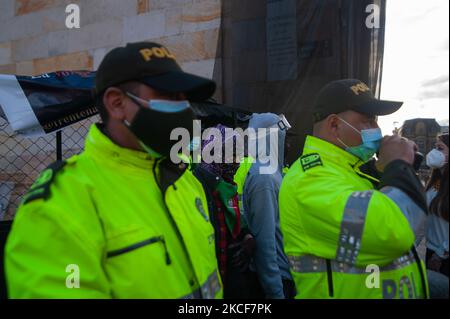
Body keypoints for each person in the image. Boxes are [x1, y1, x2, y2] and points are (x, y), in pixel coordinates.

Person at [5, 42, 222, 299]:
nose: (184, 108)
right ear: (117, 103)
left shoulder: (185, 181)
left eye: (185, 98)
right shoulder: (58, 207)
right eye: (171, 96)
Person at [279, 79, 429, 299]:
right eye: (368, 121)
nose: (377, 130)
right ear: (334, 125)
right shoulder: (309, 179)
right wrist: (398, 166)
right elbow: (391, 233)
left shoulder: (352, 170)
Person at [193, 124, 255, 298]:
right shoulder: (199, 186)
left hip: (232, 277)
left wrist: (246, 236)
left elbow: (234, 217)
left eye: (238, 154)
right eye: (232, 154)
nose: (237, 161)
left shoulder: (226, 184)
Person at [239, 113, 296, 299]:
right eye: (283, 137)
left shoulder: (273, 173)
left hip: (284, 274)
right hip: (277, 279)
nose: (288, 144)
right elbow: (265, 242)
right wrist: (276, 292)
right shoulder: (264, 177)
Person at [424, 133, 449, 277]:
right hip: (431, 250)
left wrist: (440, 254)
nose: (434, 152)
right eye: (434, 147)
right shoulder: (436, 181)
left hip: (443, 256)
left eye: (440, 148)